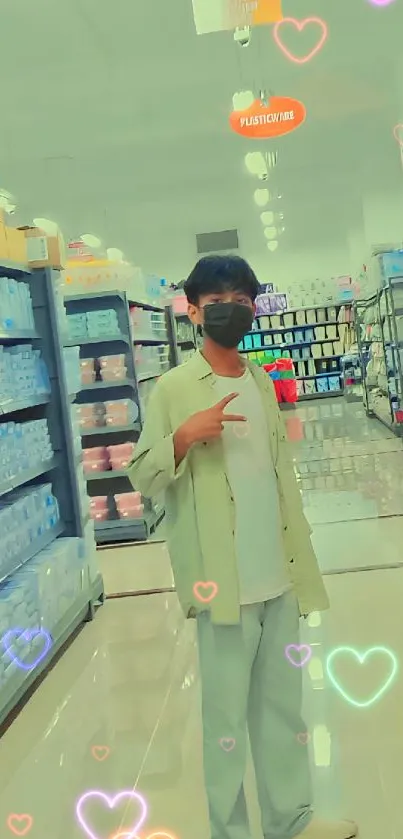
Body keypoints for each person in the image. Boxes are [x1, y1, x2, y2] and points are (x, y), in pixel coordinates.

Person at [128, 255, 358, 839]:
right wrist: (182, 438)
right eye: (217, 298)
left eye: (242, 297)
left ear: (254, 307)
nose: (231, 307)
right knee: (226, 722)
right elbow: (141, 476)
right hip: (222, 585)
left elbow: (276, 476)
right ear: (194, 309)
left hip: (279, 577)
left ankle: (292, 818)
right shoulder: (175, 388)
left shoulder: (260, 381)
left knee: (283, 711)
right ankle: (229, 831)